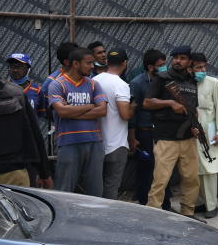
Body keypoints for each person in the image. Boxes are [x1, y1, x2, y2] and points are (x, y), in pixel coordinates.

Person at [144, 45, 201, 218]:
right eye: (175, 57)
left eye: (182, 58)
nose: (178, 61)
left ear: (190, 61)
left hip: (188, 137)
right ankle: (153, 215)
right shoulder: (162, 78)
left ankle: (188, 214)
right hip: (166, 137)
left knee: (191, 179)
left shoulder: (192, 81)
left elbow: (193, 108)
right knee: (160, 180)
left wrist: (195, 125)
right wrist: (169, 103)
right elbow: (147, 103)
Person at [47, 47, 107, 196]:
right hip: (68, 142)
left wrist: (71, 111)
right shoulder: (57, 84)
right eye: (88, 63)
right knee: (64, 191)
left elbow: (102, 111)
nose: (92, 66)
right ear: (75, 64)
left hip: (94, 143)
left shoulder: (93, 84)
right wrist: (89, 105)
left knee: (96, 192)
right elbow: (61, 111)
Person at [129, 49, 171, 209]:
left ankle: (165, 205)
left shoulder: (167, 81)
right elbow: (133, 113)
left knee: (164, 168)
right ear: (150, 66)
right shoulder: (137, 83)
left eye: (164, 64)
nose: (164, 68)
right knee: (146, 170)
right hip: (145, 132)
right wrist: (132, 137)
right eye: (160, 65)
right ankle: (144, 205)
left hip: (163, 131)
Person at [0, 72, 52, 188]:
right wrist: (44, 173)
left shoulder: (15, 93)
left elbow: (33, 134)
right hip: (13, 171)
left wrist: (43, 173)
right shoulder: (15, 93)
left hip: (11, 172)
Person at [192, 53, 218, 219]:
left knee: (210, 168)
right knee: (195, 169)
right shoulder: (186, 84)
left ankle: (212, 205)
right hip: (191, 131)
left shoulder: (213, 83)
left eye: (204, 67)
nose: (202, 70)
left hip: (210, 130)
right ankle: (200, 203)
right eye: (198, 67)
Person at [95, 49, 133, 200]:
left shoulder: (94, 80)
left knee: (95, 185)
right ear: (124, 63)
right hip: (116, 145)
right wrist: (134, 107)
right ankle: (107, 219)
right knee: (111, 185)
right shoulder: (121, 85)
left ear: (106, 62)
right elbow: (125, 115)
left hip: (96, 143)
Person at [40, 41, 79, 124]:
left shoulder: (86, 77)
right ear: (67, 62)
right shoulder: (52, 81)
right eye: (77, 58)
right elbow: (44, 109)